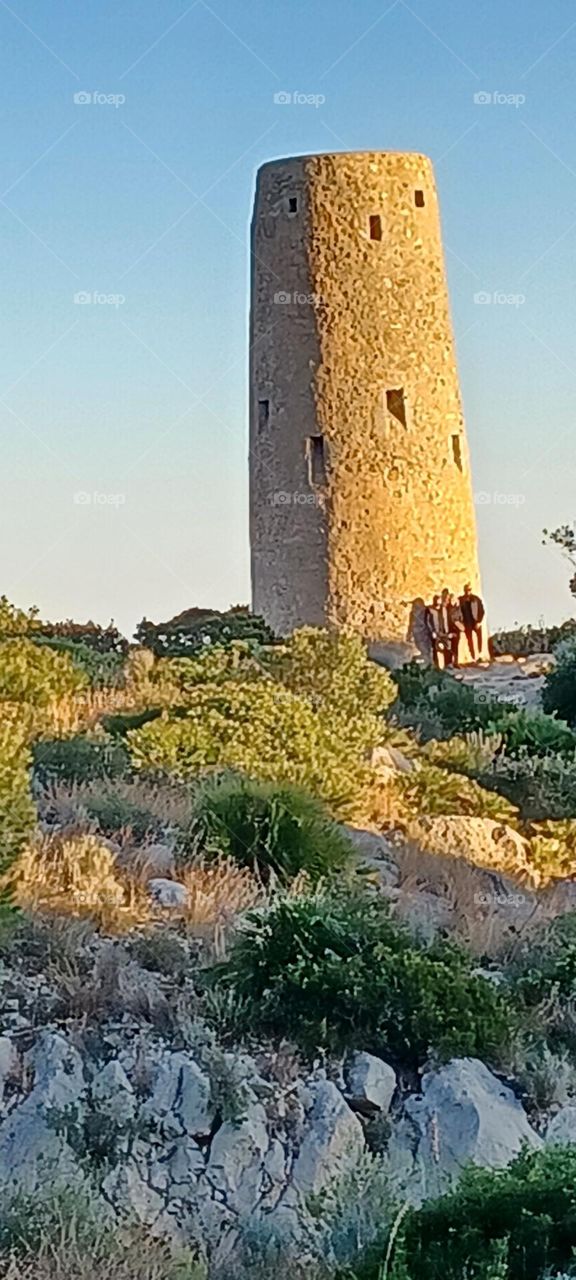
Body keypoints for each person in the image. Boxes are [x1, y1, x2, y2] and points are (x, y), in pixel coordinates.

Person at [459, 582, 485, 661]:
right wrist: (461, 623)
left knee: (479, 637)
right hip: (467, 622)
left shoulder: (476, 599)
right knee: (469, 639)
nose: (468, 591)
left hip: (476, 621)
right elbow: (458, 611)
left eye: (469, 590)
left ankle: (480, 653)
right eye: (466, 590)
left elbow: (481, 611)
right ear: (464, 590)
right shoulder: (461, 600)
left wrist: (479, 621)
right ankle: (473, 656)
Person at [424, 594, 442, 667]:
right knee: (435, 648)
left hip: (441, 631)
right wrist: (432, 631)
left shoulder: (442, 609)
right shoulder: (429, 609)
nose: (438, 601)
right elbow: (427, 621)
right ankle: (436, 664)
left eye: (439, 600)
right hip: (433, 632)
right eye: (436, 600)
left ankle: (446, 663)